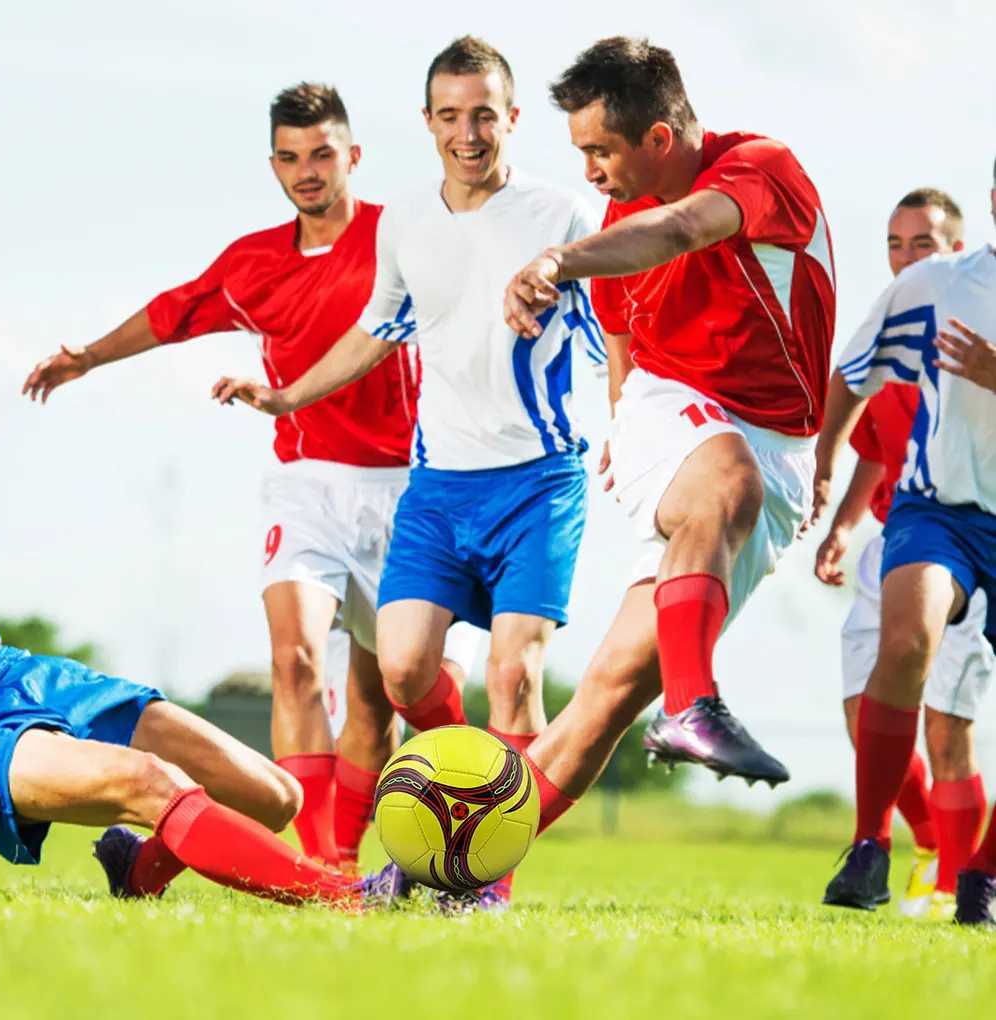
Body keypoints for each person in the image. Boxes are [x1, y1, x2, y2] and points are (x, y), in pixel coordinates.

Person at [20, 82, 479, 869]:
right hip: (305, 483)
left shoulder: (399, 235)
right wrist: (87, 356)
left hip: (409, 487)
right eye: (291, 157)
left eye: (323, 154)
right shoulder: (253, 263)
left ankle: (349, 851)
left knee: (378, 700)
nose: (307, 171)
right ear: (274, 165)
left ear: (353, 157)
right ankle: (318, 869)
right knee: (294, 658)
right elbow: (175, 311)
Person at [212, 37, 604, 908]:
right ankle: (473, 792)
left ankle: (485, 882)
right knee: (400, 672)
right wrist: (286, 397)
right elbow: (375, 331)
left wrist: (628, 432)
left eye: (485, 115)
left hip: (540, 481)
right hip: (436, 486)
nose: (469, 133)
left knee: (515, 674)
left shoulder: (563, 214)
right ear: (428, 122)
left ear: (511, 118)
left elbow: (618, 332)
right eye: (451, 115)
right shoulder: (405, 224)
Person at [498, 35, 834, 839]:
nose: (589, 172)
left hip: (778, 454)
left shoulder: (759, 169)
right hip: (674, 415)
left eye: (600, 150)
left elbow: (684, 229)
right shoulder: (617, 224)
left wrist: (555, 260)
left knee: (605, 699)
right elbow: (623, 347)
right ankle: (694, 706)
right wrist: (635, 433)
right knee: (726, 481)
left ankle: (450, 865)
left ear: (658, 138)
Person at [817, 161, 996, 925]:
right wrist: (825, 459)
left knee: (955, 726)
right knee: (905, 643)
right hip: (938, 512)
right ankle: (869, 850)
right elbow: (854, 372)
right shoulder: (937, 284)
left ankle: (981, 878)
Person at [0, 612, 391, 907]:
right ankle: (351, 896)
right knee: (146, 781)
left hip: (12, 671)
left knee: (273, 796)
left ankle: (137, 869)